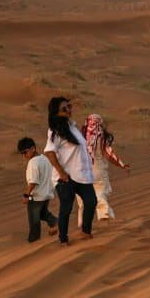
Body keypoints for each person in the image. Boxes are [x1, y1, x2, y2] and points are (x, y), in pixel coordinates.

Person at [42, 96, 98, 246]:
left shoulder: (72, 127)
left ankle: (85, 231)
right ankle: (63, 239)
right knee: (66, 208)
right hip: (66, 178)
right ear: (56, 113)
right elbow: (49, 152)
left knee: (91, 202)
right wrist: (61, 173)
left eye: (69, 106)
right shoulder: (55, 131)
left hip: (81, 175)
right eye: (65, 108)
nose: (69, 110)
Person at [77, 113, 129, 225]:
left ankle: (82, 224)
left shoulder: (79, 136)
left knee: (82, 201)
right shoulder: (102, 136)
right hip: (98, 170)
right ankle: (104, 217)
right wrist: (121, 164)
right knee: (100, 194)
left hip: (81, 172)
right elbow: (109, 154)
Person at [18, 137, 57, 242]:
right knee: (43, 213)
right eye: (22, 153)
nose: (24, 155)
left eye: (25, 152)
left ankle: (34, 241)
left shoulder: (33, 163)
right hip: (46, 194)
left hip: (36, 197)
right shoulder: (44, 158)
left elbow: (33, 182)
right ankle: (55, 222)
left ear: (33, 148)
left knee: (34, 220)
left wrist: (26, 195)